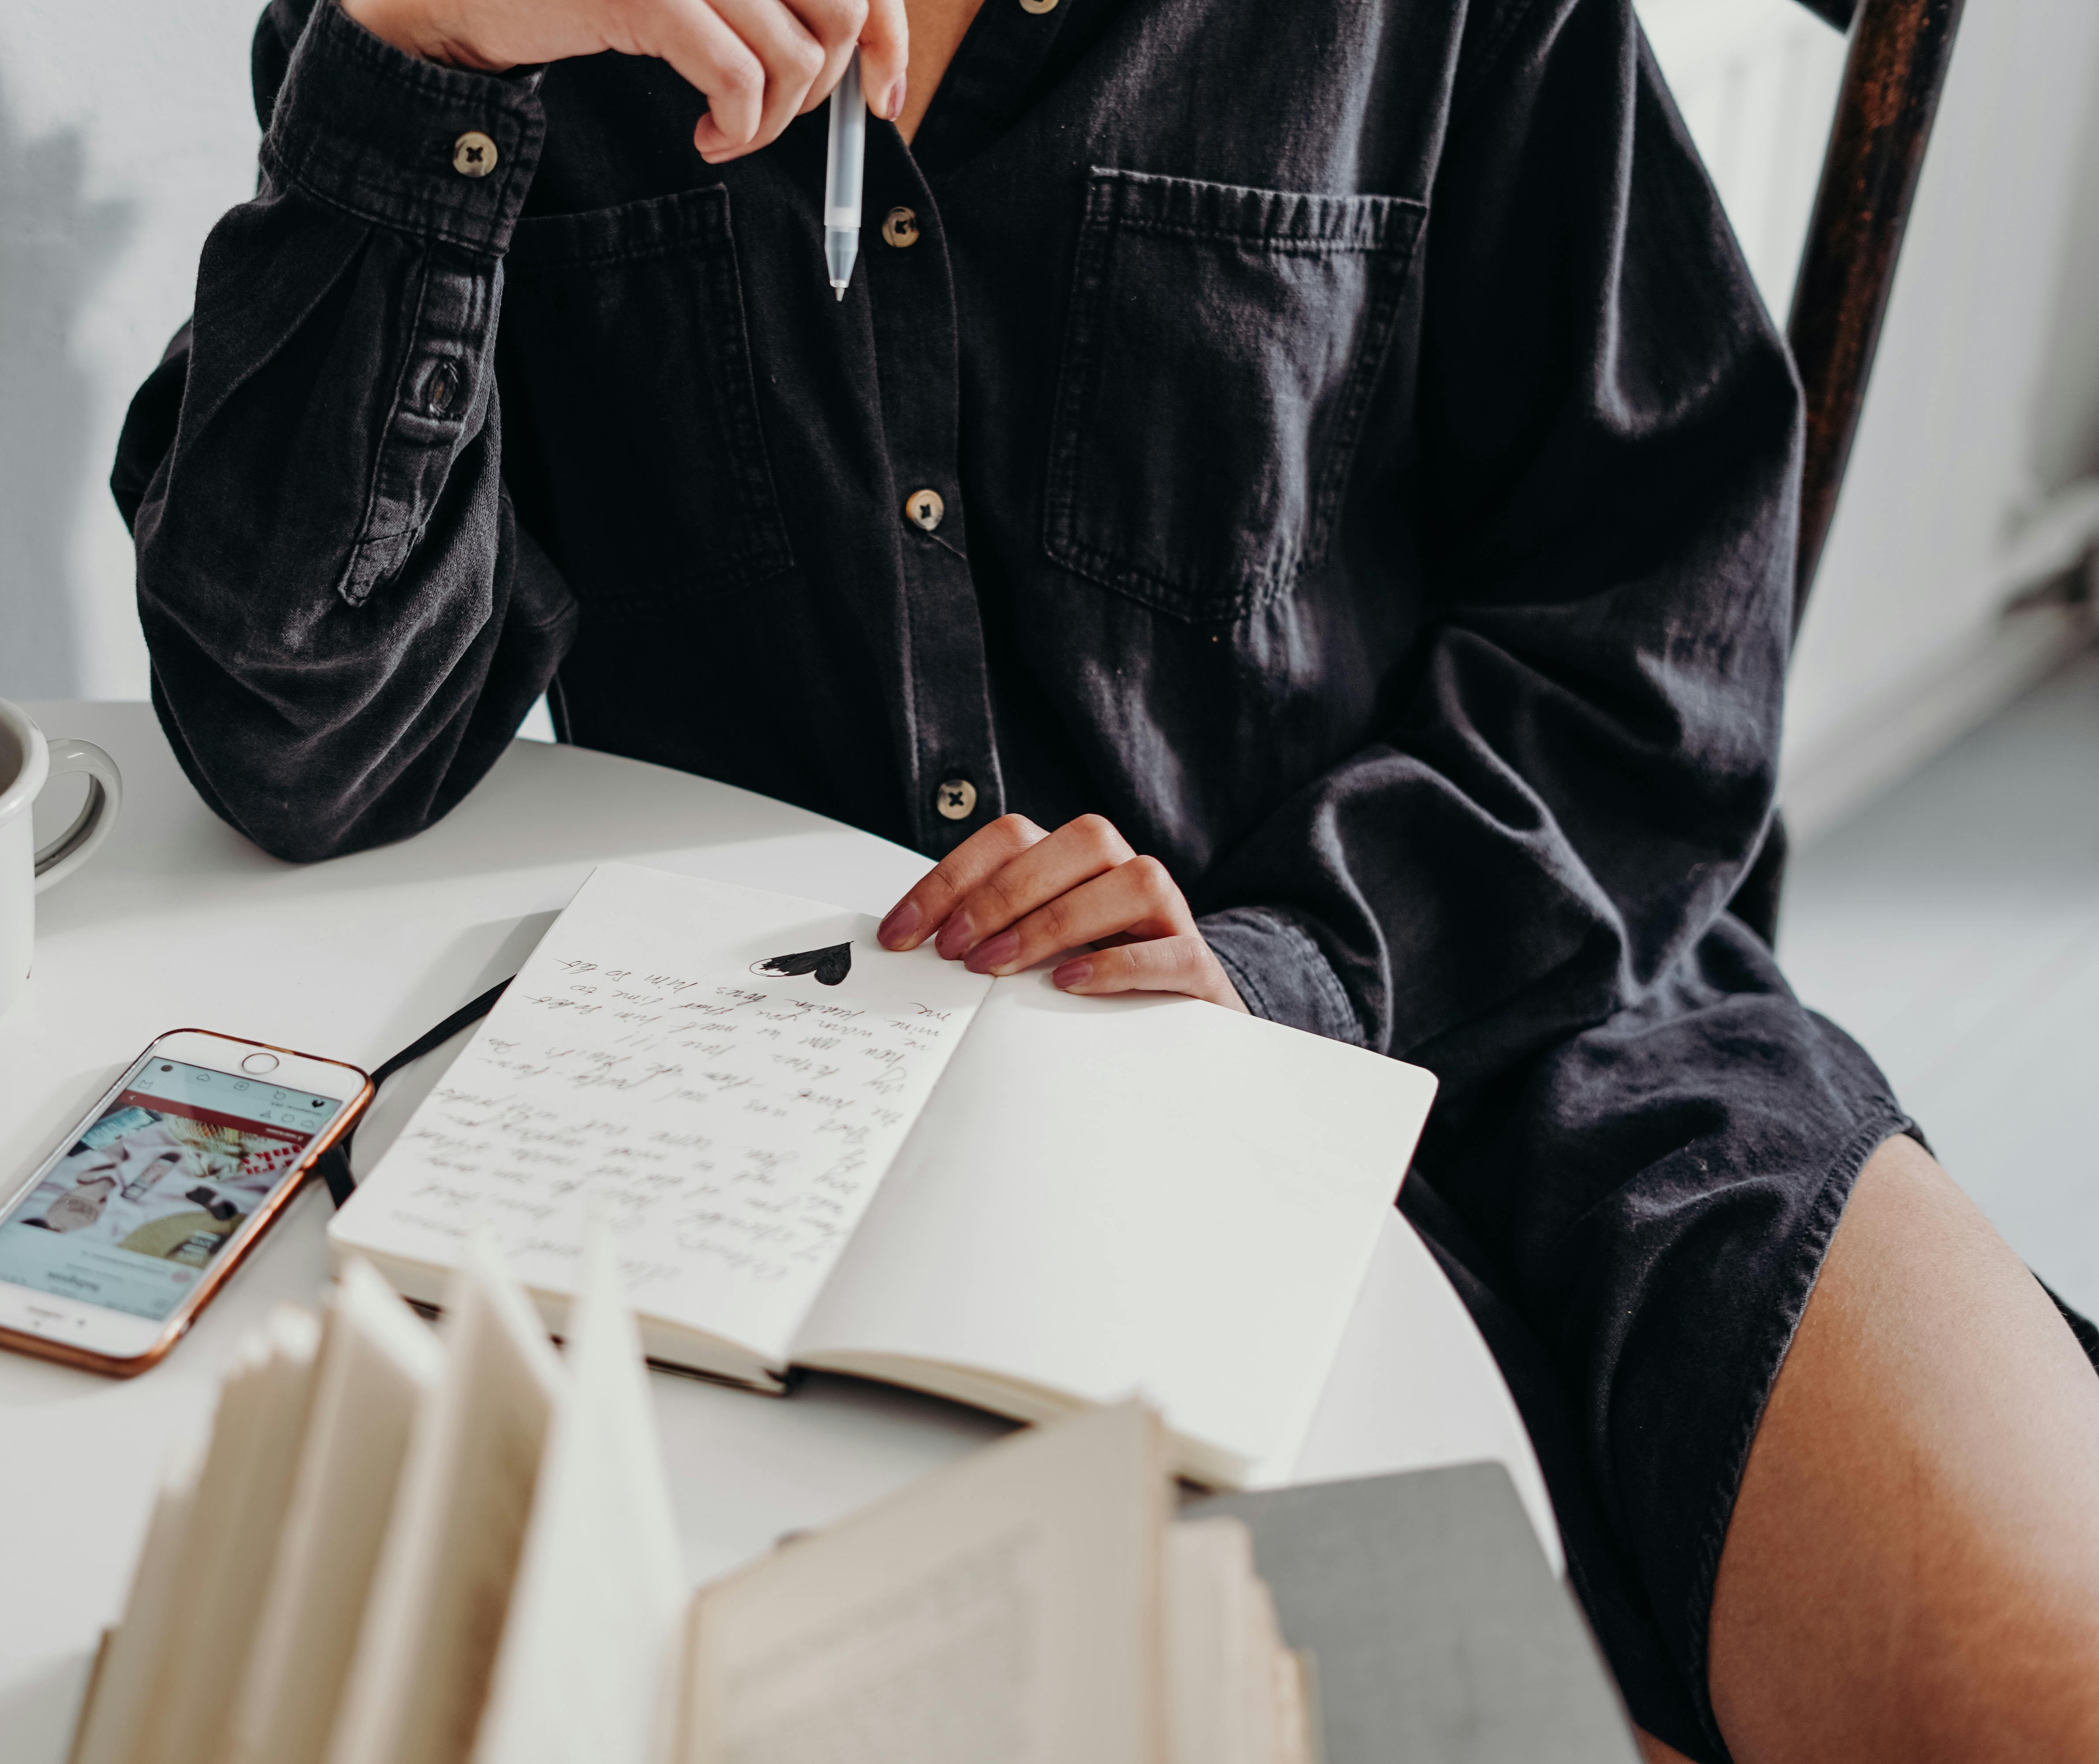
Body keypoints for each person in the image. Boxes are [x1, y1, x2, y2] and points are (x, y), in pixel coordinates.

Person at [110, 0, 2099, 1755]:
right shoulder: (489, 24)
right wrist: (428, 65)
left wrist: (1282, 966)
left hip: (1554, 1030)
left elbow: (1659, 643)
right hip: (908, 1206)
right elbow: (312, 747)